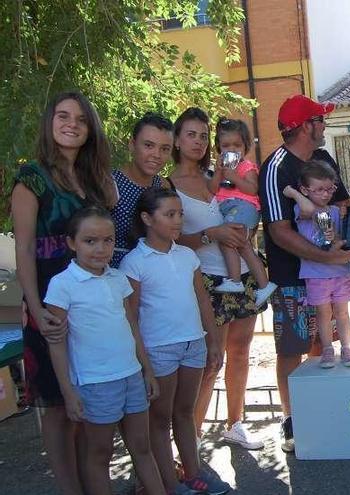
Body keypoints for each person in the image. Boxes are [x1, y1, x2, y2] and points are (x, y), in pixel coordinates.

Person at [12, 91, 117, 495]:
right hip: (51, 306)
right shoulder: (31, 177)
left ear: (90, 129)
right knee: (56, 406)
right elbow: (23, 247)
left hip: (90, 305)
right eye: (62, 115)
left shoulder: (92, 181)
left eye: (80, 119)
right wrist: (36, 308)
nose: (71, 123)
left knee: (82, 403)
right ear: (49, 122)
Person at [258, 94, 350, 452]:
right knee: (291, 349)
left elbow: (343, 203)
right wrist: (325, 255)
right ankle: (291, 420)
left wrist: (334, 247)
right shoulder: (275, 167)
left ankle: (323, 414)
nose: (325, 123)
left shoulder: (324, 158)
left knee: (325, 345)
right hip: (290, 278)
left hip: (329, 273)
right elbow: (278, 229)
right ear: (304, 126)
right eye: (320, 118)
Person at [44, 207, 164, 495]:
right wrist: (69, 393)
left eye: (107, 240)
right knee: (99, 454)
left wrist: (146, 369)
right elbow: (57, 344)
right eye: (90, 241)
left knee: (142, 447)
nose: (100, 248)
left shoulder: (117, 279)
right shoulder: (62, 286)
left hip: (132, 376)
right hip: (95, 383)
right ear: (72, 243)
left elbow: (131, 326)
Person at [166, 107, 266, 451]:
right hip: (205, 280)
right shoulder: (168, 186)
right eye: (190, 134)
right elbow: (170, 240)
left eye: (202, 135)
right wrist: (213, 234)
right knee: (211, 360)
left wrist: (244, 232)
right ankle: (190, 440)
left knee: (241, 351)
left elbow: (248, 201)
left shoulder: (220, 174)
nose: (197, 141)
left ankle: (235, 423)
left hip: (239, 274)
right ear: (177, 140)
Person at [120, 188, 229, 494]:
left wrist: (213, 342)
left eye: (180, 213)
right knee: (160, 417)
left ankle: (193, 472)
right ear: (147, 218)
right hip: (159, 349)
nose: (178, 220)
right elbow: (132, 315)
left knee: (184, 411)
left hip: (193, 343)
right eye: (170, 214)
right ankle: (169, 482)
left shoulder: (187, 256)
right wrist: (143, 363)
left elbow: (203, 300)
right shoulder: (134, 262)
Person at [282, 161, 350, 368]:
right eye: (319, 190)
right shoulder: (302, 209)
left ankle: (346, 347)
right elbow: (309, 207)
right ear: (305, 190)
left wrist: (336, 237)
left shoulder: (334, 210)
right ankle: (327, 349)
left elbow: (341, 238)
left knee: (342, 312)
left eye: (329, 189)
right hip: (316, 273)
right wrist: (292, 193)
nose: (325, 194)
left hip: (338, 271)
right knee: (323, 313)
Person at [209, 118, 277, 305]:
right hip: (230, 208)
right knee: (244, 247)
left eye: (237, 145)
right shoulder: (222, 168)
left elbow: (252, 189)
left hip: (244, 207)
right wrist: (218, 173)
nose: (231, 149)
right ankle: (264, 285)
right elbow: (213, 189)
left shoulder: (246, 167)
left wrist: (234, 177)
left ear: (245, 146)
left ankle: (235, 280)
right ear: (218, 148)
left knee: (227, 241)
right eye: (226, 145)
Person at [110, 112, 173, 268]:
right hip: (118, 274)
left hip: (156, 273)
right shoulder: (110, 183)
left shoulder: (164, 186)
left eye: (164, 149)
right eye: (148, 145)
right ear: (132, 144)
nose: (156, 155)